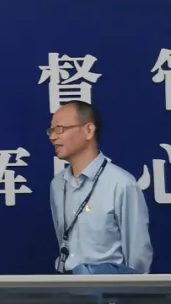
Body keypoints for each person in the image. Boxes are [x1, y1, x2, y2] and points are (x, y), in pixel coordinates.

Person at [49, 100, 152, 274]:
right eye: (51, 130)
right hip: (68, 284)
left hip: (110, 286)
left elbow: (137, 256)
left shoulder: (121, 183)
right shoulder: (58, 184)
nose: (53, 137)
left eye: (59, 129)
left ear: (89, 130)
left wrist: (132, 288)